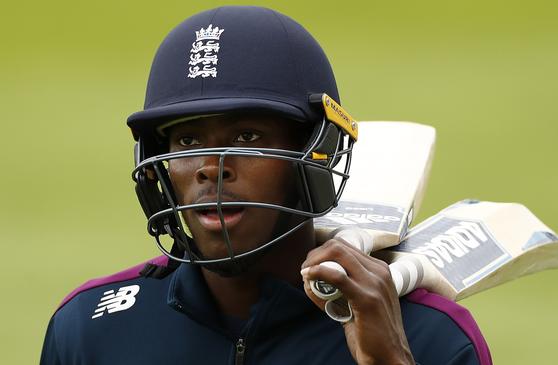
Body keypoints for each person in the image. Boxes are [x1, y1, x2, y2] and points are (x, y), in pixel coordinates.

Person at [40, 6, 491, 365]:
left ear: (319, 150)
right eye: (188, 140)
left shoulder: (431, 338)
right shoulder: (90, 330)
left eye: (247, 137)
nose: (210, 168)